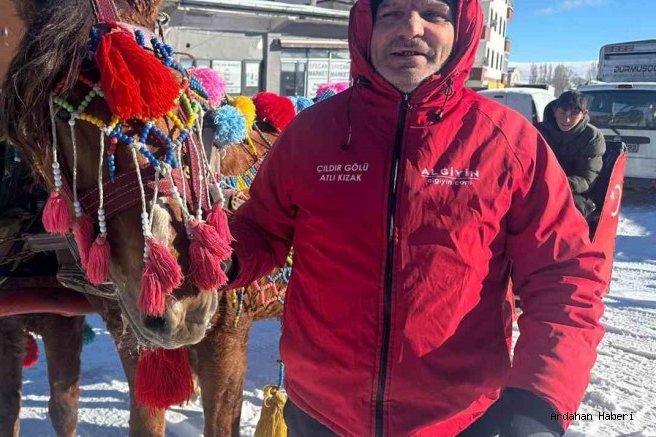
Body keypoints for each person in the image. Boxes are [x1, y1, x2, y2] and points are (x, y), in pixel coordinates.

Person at [224, 0, 606, 436]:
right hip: (320, 414)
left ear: (462, 29)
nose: (410, 28)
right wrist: (221, 257)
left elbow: (564, 275)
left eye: (434, 13)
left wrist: (540, 399)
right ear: (366, 28)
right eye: (390, 14)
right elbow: (262, 229)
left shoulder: (508, 141)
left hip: (460, 420)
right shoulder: (311, 133)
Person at [535, 91, 607, 217]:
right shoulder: (537, 131)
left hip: (575, 191)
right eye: (563, 112)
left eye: (574, 114)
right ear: (555, 110)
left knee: (563, 211)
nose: (567, 119)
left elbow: (587, 179)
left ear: (584, 114)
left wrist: (559, 184)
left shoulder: (592, 137)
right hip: (538, 185)